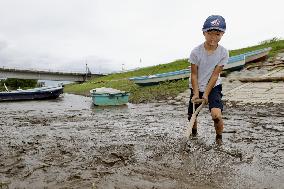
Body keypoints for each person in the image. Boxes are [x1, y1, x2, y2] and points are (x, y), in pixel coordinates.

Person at [188, 15, 229, 141]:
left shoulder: (223, 53)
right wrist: (196, 93)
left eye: (217, 34)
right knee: (192, 116)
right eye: (210, 33)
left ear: (222, 34)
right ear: (204, 33)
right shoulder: (196, 52)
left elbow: (215, 75)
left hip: (213, 86)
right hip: (196, 85)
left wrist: (206, 94)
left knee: (216, 115)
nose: (213, 37)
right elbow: (194, 74)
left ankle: (219, 139)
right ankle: (194, 136)